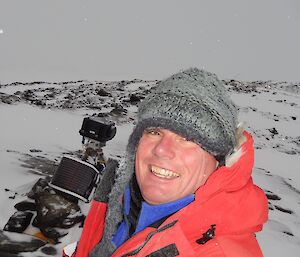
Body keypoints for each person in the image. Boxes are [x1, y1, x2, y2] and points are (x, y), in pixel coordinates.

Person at [63, 68, 268, 257]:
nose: (162, 149)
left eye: (187, 138)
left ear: (218, 161)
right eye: (154, 132)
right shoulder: (117, 200)